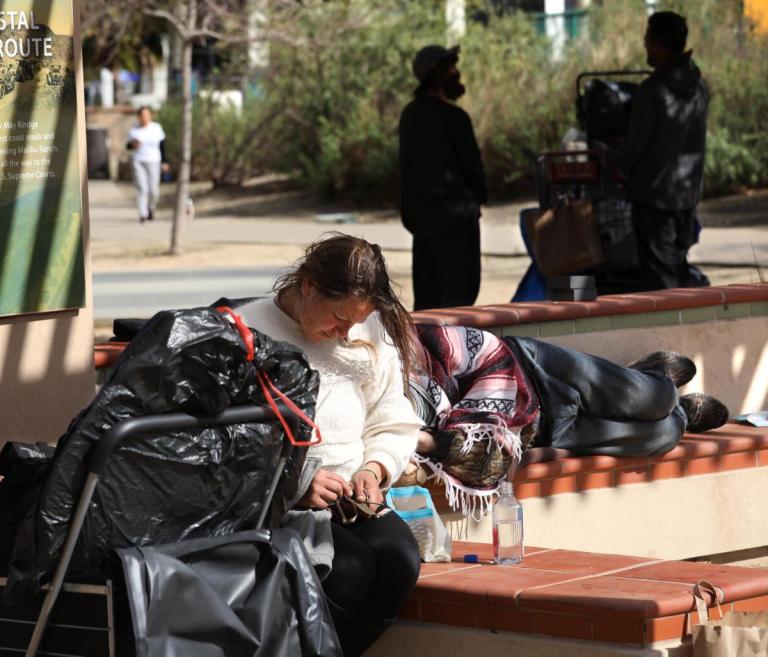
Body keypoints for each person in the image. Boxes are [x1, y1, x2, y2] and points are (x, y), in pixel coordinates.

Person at [236, 234, 422, 657]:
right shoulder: (249, 331)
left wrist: (374, 470)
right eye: (339, 317)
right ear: (308, 287)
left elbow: (391, 415)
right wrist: (297, 483)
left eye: (357, 321)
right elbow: (231, 442)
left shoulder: (367, 329)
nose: (347, 332)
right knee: (348, 570)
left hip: (350, 497)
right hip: (276, 503)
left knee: (399, 560)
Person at [406, 324, 729, 510]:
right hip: (538, 432)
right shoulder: (385, 426)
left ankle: (657, 379)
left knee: (654, 400)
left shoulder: (394, 350)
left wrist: (424, 439)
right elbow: (481, 459)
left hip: (529, 371)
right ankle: (682, 413)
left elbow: (476, 352)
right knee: (663, 437)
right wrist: (421, 440)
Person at [608, 11, 710, 290]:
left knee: (661, 279)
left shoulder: (653, 91)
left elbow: (634, 149)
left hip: (655, 200)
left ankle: (668, 330)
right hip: (687, 197)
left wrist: (608, 158)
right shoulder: (699, 87)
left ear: (659, 46)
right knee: (676, 266)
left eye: (648, 41)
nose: (645, 47)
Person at [399, 45, 487, 311]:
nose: (456, 72)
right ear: (438, 74)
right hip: (457, 221)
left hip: (423, 221)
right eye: (451, 66)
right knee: (459, 302)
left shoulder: (410, 115)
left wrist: (411, 216)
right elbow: (474, 170)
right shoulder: (455, 118)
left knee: (428, 303)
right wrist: (478, 198)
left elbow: (405, 172)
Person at [127, 106, 169, 223]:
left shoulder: (156, 128)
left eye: (147, 115)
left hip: (154, 161)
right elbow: (128, 146)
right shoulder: (134, 130)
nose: (144, 118)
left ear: (150, 116)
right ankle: (143, 213)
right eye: (142, 115)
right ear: (139, 117)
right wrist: (133, 145)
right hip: (138, 161)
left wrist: (165, 161)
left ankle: (151, 207)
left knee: (154, 190)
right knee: (142, 188)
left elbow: (162, 145)